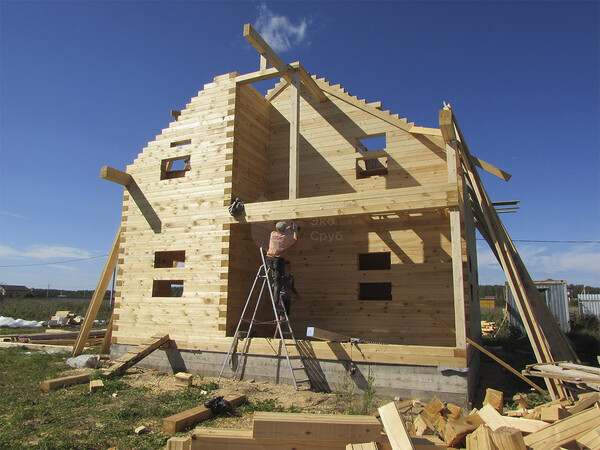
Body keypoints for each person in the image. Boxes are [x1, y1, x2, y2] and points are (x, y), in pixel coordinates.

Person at [266, 221, 298, 305]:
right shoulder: (285, 238)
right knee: (278, 282)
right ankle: (276, 302)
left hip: (269, 260)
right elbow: (294, 240)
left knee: (275, 275)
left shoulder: (272, 234)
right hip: (278, 260)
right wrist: (295, 231)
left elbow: (280, 231)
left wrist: (286, 229)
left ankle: (273, 280)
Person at [274, 261, 302, 338]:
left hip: (287, 299)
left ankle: (280, 335)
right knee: (282, 318)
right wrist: (279, 293)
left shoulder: (291, 278)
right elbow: (275, 285)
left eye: (289, 266)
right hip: (281, 299)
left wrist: (297, 294)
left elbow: (292, 287)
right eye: (287, 266)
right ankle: (275, 336)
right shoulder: (281, 277)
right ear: (284, 268)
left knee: (285, 319)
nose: (289, 268)